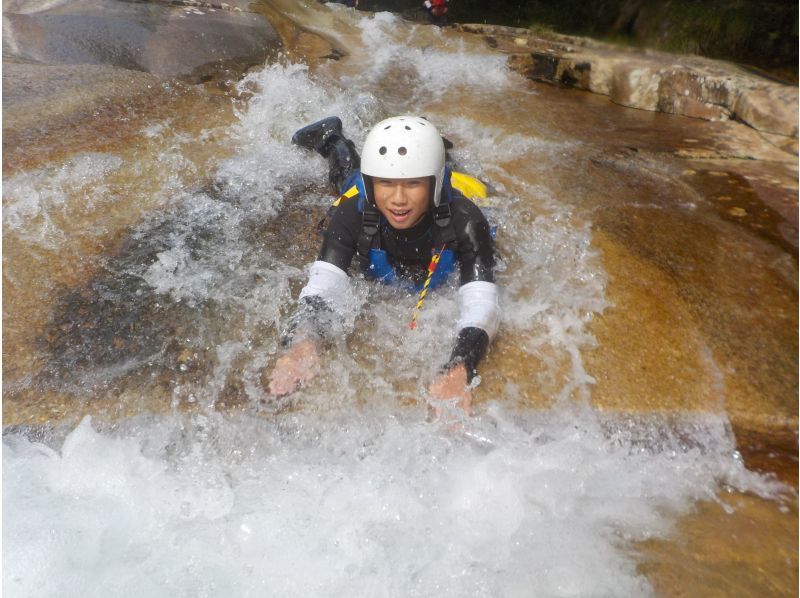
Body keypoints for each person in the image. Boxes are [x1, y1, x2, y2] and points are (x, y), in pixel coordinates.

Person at [266, 115, 499, 414]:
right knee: (344, 177)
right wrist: (303, 342)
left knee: (471, 183)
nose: (398, 200)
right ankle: (331, 137)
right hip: (362, 185)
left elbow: (483, 303)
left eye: (413, 183)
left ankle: (435, 148)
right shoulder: (353, 212)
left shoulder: (465, 220)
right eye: (386, 183)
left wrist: (460, 367)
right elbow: (324, 285)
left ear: (434, 184)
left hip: (450, 189)